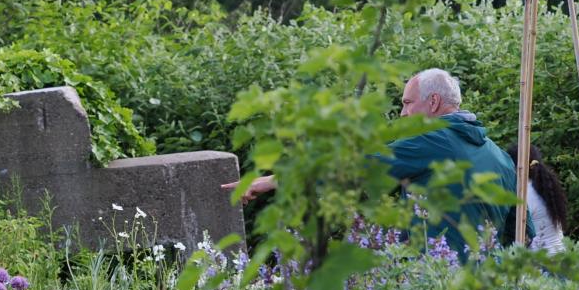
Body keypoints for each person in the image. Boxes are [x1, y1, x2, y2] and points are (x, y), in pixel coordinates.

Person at [223, 68, 530, 256]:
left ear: (433, 102)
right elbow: (524, 233)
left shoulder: (432, 141)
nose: (402, 113)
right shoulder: (498, 156)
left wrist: (270, 181)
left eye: (407, 103)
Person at [506, 144, 567, 254]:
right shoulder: (545, 187)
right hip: (561, 257)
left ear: (515, 166)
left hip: (541, 263)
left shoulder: (523, 193)